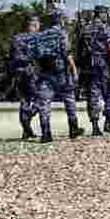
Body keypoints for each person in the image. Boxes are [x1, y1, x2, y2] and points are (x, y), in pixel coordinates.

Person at [32, 9, 85, 143]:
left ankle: (46, 133)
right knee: (69, 99)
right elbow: (67, 53)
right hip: (61, 72)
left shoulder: (40, 35)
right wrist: (74, 71)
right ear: (59, 19)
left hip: (45, 73)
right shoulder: (62, 33)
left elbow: (36, 56)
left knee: (45, 104)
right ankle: (73, 128)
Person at [78, 6, 110, 136]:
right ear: (100, 14)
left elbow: (79, 50)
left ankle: (95, 126)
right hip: (104, 65)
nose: (107, 16)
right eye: (105, 13)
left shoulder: (85, 28)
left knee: (93, 96)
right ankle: (108, 123)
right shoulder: (105, 28)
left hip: (89, 67)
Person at [10, 14, 41, 139]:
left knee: (24, 101)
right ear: (34, 25)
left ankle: (26, 130)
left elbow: (13, 57)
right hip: (32, 72)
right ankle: (29, 116)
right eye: (38, 25)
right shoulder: (38, 38)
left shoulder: (16, 38)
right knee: (41, 98)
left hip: (18, 73)